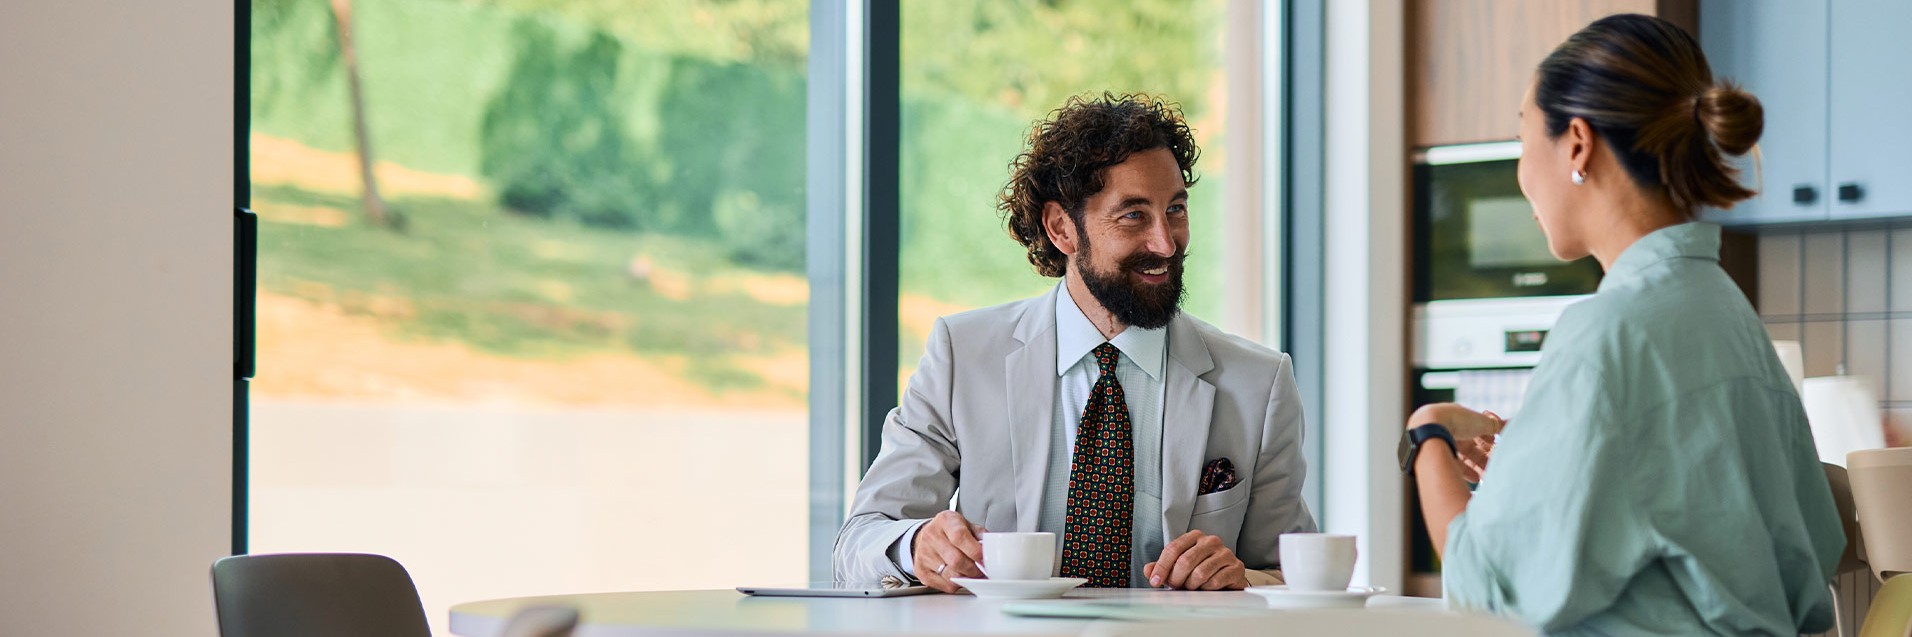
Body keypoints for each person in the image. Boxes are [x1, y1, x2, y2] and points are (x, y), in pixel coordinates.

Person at [1400, 14, 1845, 635]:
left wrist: (1427, 439)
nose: (1521, 173)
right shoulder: (1726, 310)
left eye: (1524, 138)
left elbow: (1487, 588)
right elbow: (1811, 540)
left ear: (1577, 143)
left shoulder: (1607, 334)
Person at [833, 93, 1315, 592]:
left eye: (1174, 209)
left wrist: (1244, 579)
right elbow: (858, 543)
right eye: (1133, 215)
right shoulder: (963, 355)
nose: (1166, 243)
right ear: (1062, 227)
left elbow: (1296, 576)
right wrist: (916, 548)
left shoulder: (1259, 383)